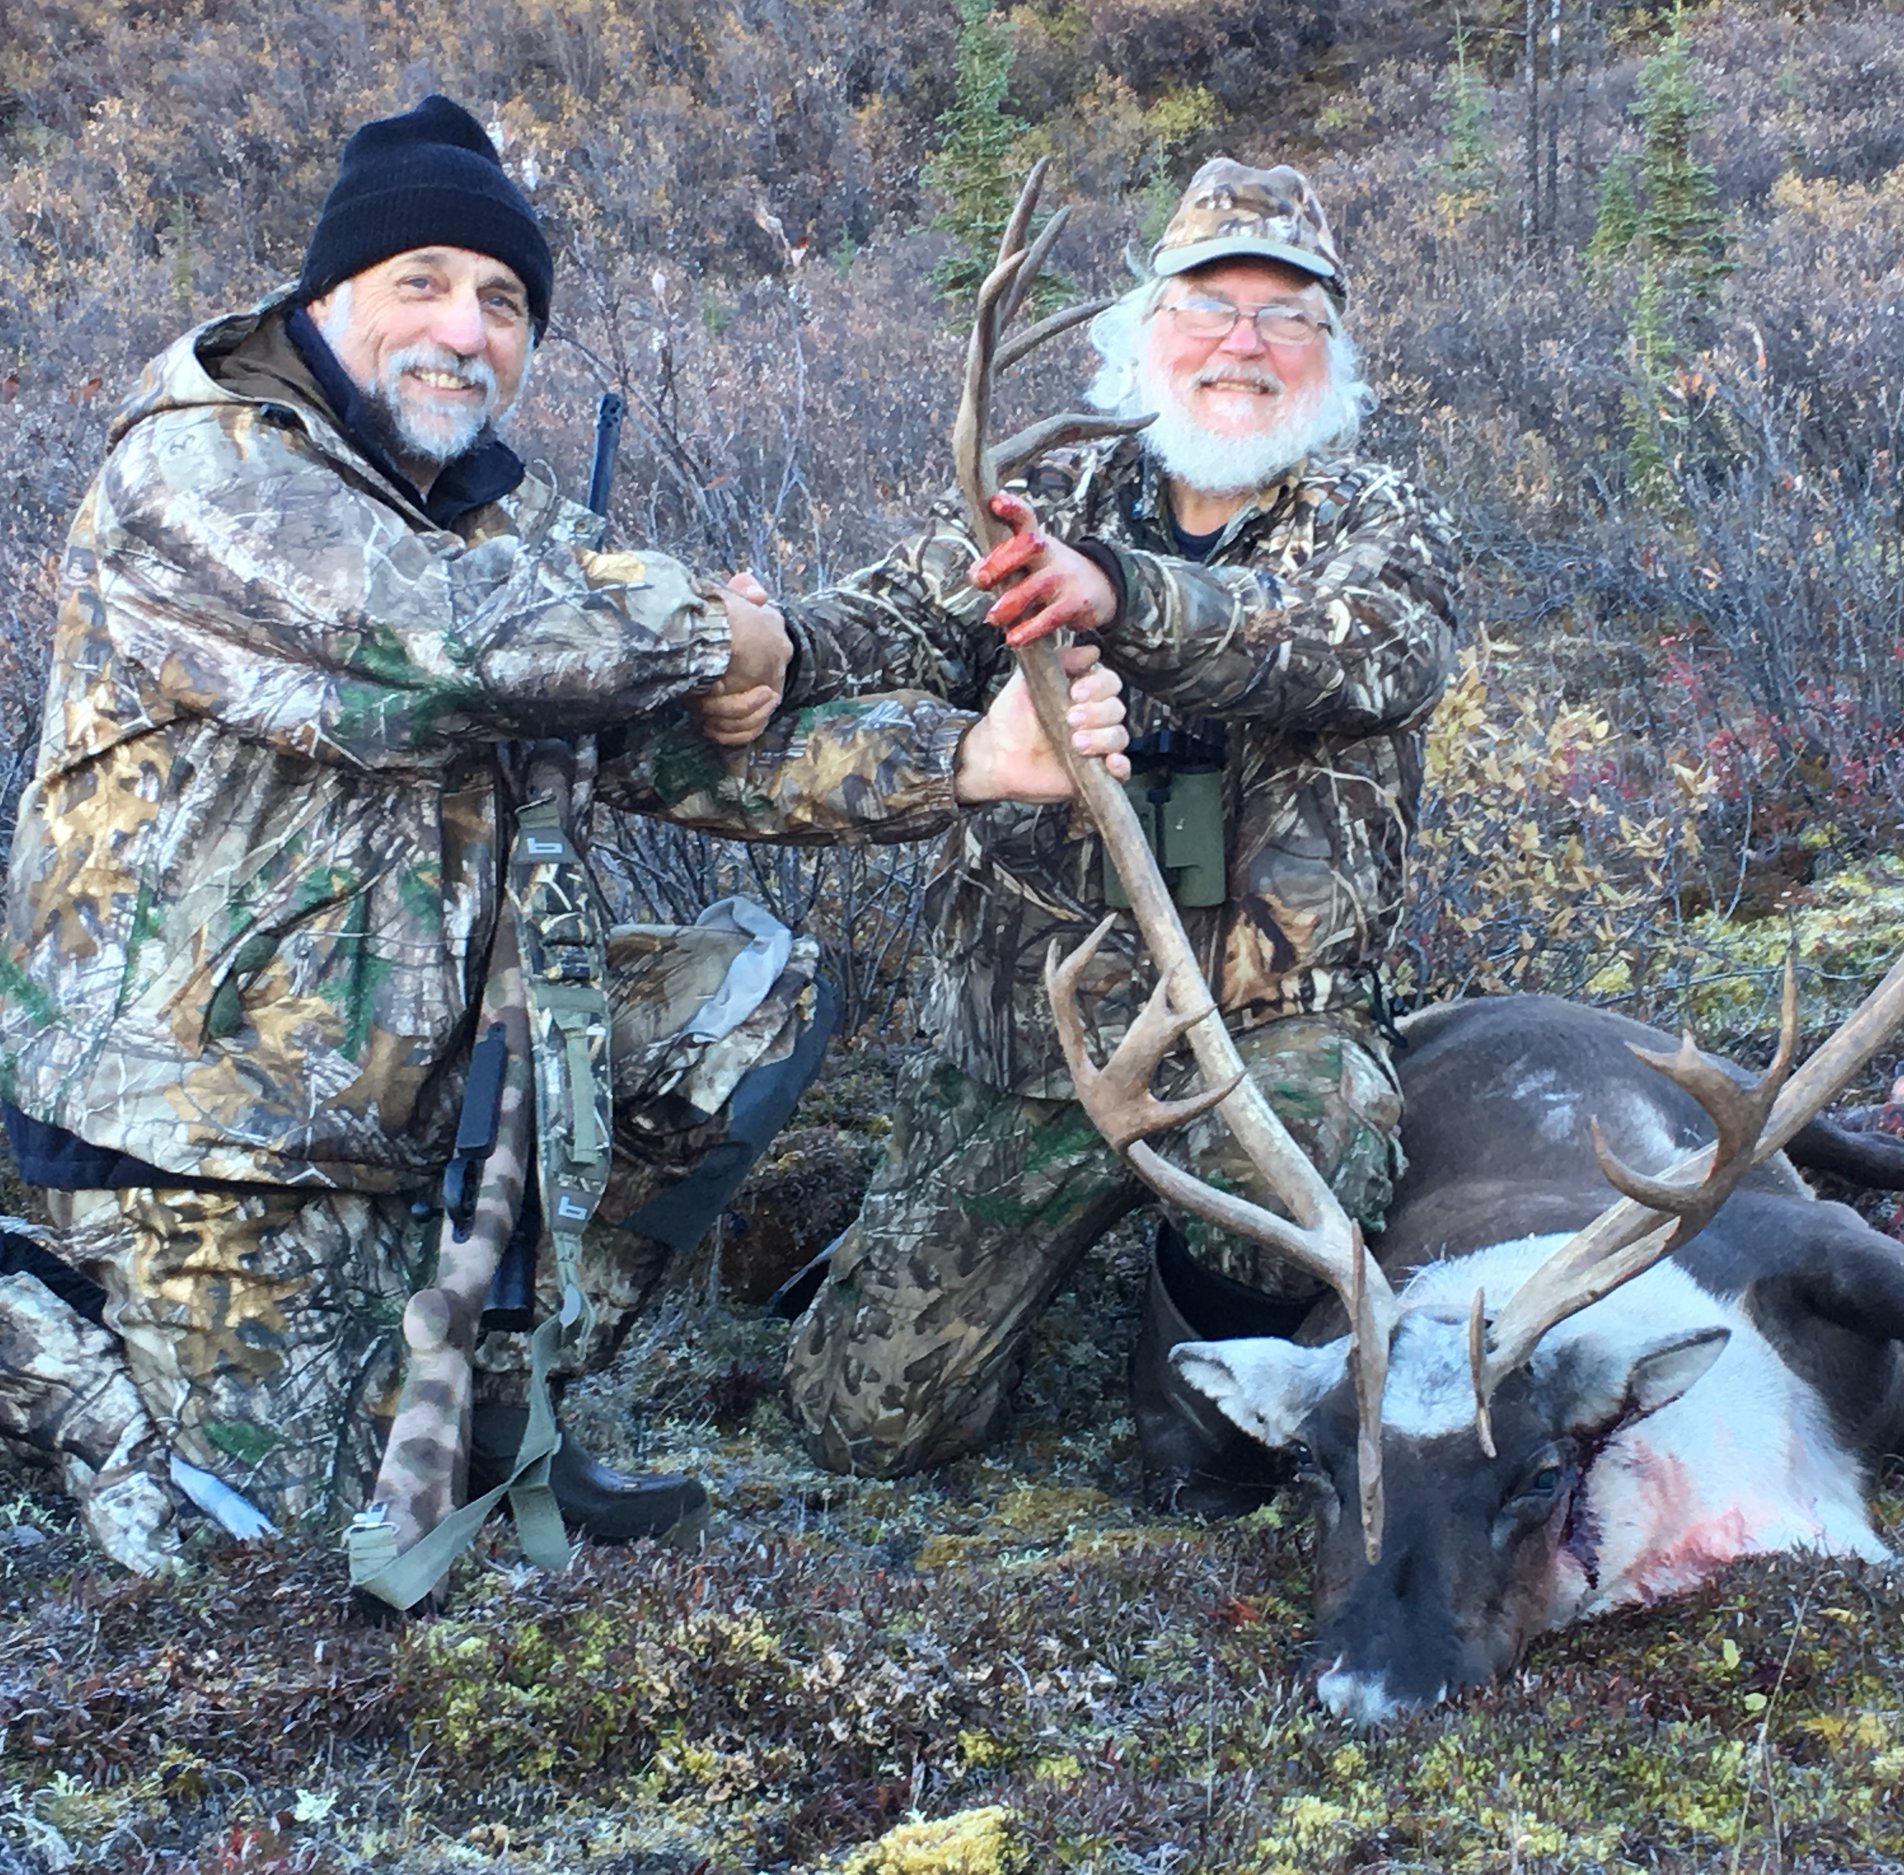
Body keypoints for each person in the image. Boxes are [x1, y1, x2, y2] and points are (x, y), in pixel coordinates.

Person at [0, 96, 1131, 1576]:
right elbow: (452, 650)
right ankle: (47, 1319)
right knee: (253, 1573)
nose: (464, 330)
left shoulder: (485, 521)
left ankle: (492, 1399)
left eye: (504, 301)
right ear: (323, 296)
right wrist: (725, 631)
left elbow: (671, 740)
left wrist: (970, 759)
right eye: (420, 282)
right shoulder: (206, 470)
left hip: (406, 1104)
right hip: (202, 1138)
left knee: (745, 999)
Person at [778, 159, 1462, 1507]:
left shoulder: (1378, 524)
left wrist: (1123, 594)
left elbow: (1372, 655)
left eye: (1287, 317)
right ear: (1142, 335)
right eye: (1211, 308)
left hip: (1261, 1038)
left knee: (1322, 1122)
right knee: (864, 1432)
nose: (1244, 346)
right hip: (1032, 1044)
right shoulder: (1041, 500)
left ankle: (1196, 1363)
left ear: (1334, 353)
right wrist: (762, 643)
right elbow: (887, 620)